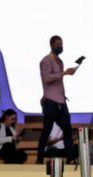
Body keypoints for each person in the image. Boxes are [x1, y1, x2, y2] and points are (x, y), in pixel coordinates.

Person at [37, 35, 77, 163]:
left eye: (62, 44)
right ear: (51, 45)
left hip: (61, 101)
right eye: (58, 44)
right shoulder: (45, 61)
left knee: (67, 129)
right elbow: (47, 79)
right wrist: (64, 73)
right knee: (47, 130)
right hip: (50, 102)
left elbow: (58, 80)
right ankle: (39, 158)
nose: (60, 46)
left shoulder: (60, 61)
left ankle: (70, 158)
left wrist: (67, 72)